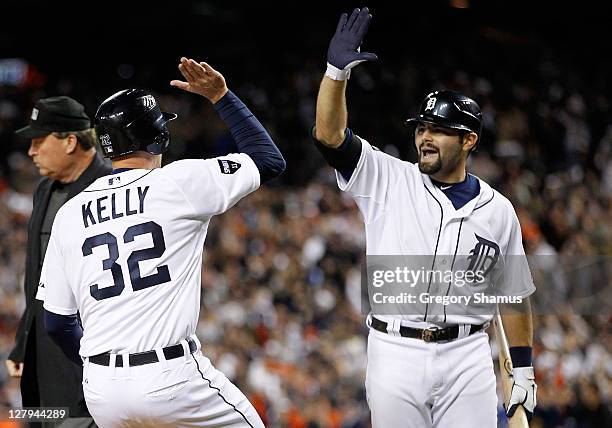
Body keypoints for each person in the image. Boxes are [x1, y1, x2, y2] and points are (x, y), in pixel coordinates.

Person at [313, 8, 537, 427]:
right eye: (421, 128)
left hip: (467, 356)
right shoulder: (388, 179)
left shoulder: (499, 211)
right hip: (396, 352)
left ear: (468, 140)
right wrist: (334, 75)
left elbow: (513, 295)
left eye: (438, 130)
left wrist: (522, 367)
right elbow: (329, 136)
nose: (425, 137)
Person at [36, 57, 284, 427]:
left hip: (103, 392)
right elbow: (268, 159)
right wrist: (222, 96)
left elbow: (56, 323)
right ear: (159, 135)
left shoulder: (70, 213)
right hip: (171, 380)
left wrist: (104, 367)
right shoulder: (177, 182)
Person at [8, 96, 110, 427]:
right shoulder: (44, 189)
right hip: (42, 360)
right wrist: (24, 342)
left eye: (40, 141)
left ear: (69, 141)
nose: (31, 151)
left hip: (87, 361)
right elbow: (36, 276)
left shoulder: (110, 188)